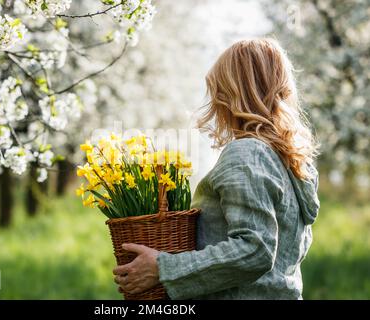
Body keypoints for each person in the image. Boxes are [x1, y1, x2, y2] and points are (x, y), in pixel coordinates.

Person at [113, 38, 320, 299]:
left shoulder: (247, 153)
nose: (216, 102)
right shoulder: (292, 161)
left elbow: (255, 250)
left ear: (233, 94)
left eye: (218, 90)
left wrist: (164, 268)